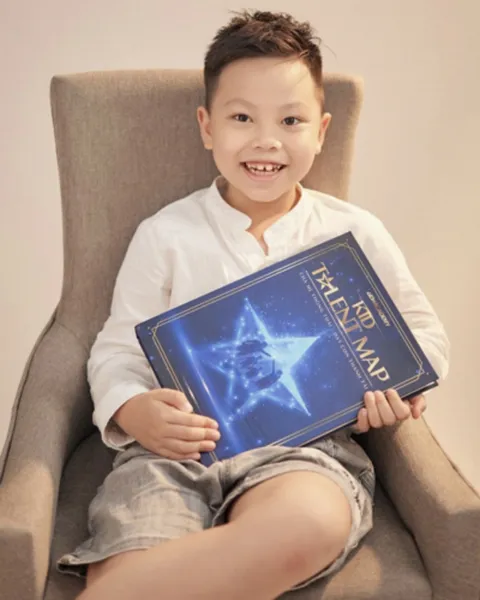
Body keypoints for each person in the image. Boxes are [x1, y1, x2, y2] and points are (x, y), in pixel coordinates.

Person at [57, 10, 449, 600]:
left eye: (291, 120)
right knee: (137, 541)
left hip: (302, 451)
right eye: (242, 117)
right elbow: (117, 347)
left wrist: (397, 384)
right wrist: (132, 409)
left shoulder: (353, 231)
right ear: (207, 126)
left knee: (309, 522)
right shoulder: (166, 233)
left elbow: (425, 336)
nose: (267, 140)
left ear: (321, 131)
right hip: (174, 450)